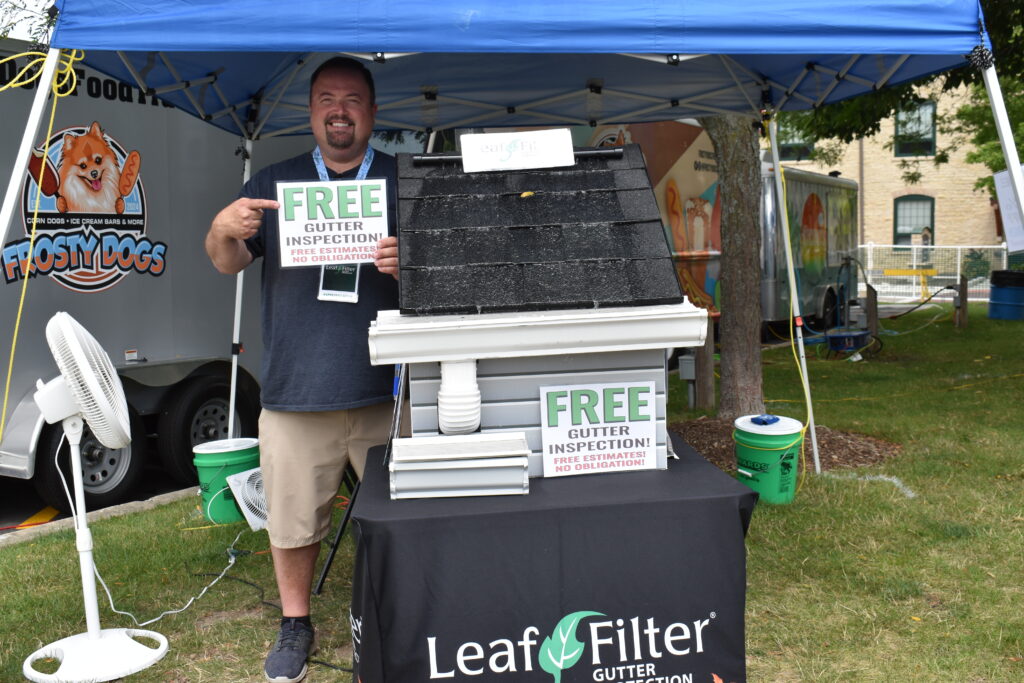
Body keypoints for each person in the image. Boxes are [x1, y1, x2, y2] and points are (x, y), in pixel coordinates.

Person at [205, 56, 399, 683]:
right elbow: (226, 263)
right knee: (292, 518)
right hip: (296, 387)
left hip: (390, 386)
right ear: (311, 111)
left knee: (404, 511)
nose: (338, 110)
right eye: (325, 99)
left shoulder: (404, 181)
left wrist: (410, 264)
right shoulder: (274, 182)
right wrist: (222, 228)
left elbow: (446, 278)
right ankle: (295, 621)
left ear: (371, 111)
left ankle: (402, 608)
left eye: (352, 99)